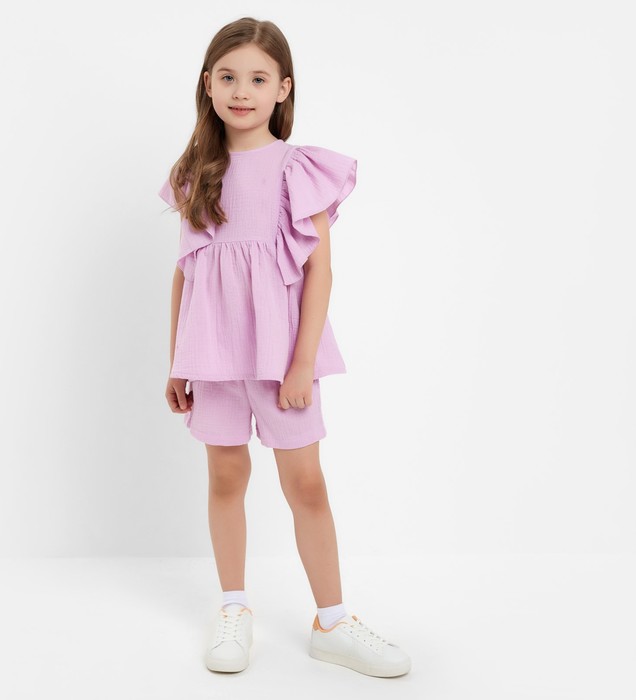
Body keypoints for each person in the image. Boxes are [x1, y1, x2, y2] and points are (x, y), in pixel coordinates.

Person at [159, 16, 411, 678]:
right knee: (225, 476)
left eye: (258, 78)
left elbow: (319, 272)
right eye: (228, 77)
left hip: (282, 359)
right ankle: (233, 608)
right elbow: (186, 272)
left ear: (283, 89)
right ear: (208, 85)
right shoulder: (196, 174)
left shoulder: (299, 169)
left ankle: (333, 621)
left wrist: (301, 363)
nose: (242, 91)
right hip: (213, 356)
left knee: (306, 483)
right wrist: (178, 361)